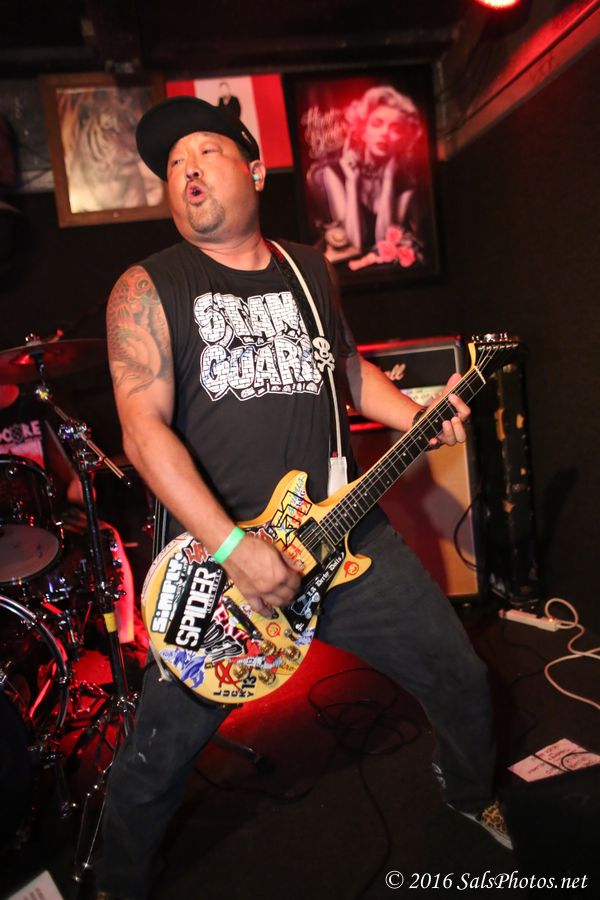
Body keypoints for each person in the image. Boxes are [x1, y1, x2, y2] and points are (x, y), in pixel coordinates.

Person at [96, 95, 510, 900]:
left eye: (205, 152)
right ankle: (119, 883)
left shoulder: (308, 269)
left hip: (346, 534)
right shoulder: (147, 287)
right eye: (173, 165)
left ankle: (470, 795)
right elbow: (142, 432)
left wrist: (415, 413)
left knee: (458, 675)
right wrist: (232, 548)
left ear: (254, 170)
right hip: (220, 564)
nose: (186, 171)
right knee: (156, 758)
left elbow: (346, 369)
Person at [0, 381, 136, 644]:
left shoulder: (35, 408)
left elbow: (69, 472)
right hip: (4, 526)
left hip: (48, 517)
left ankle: (125, 638)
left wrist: (78, 485)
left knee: (107, 537)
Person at [307, 85, 423, 266]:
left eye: (395, 128)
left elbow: (384, 246)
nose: (384, 133)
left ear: (404, 138)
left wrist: (388, 180)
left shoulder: (405, 183)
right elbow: (354, 245)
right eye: (377, 124)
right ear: (362, 129)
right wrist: (352, 183)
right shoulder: (336, 172)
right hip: (345, 275)